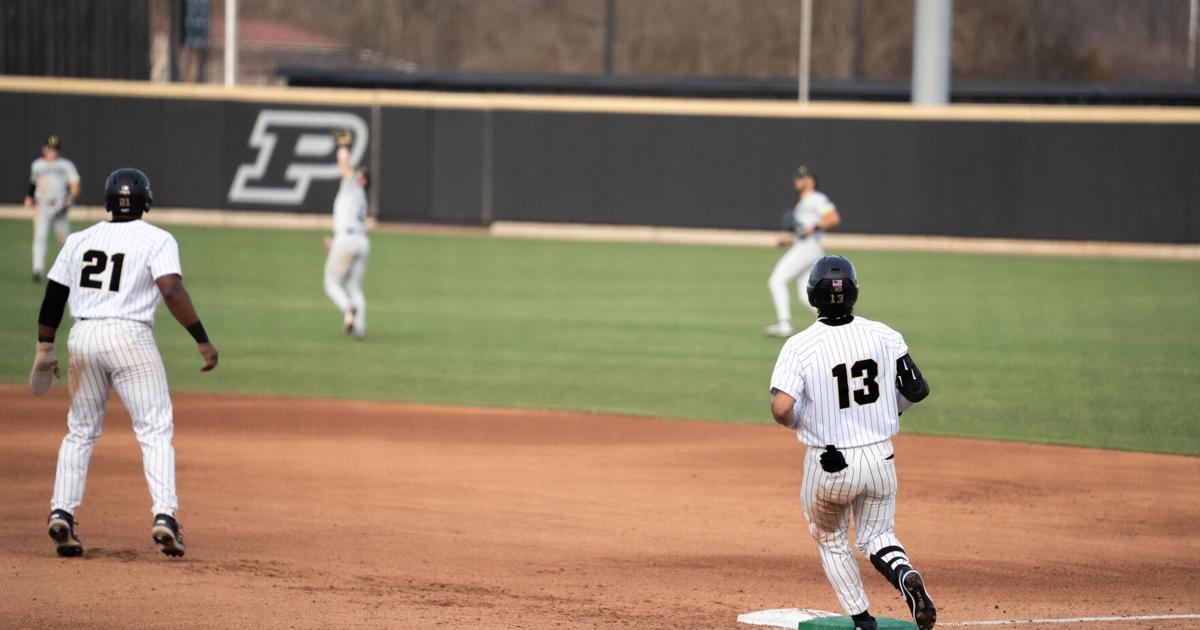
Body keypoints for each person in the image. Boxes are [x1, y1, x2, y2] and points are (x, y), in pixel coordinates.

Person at [29, 167, 219, 558]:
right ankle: (164, 517)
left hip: (83, 336)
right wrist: (201, 338)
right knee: (154, 429)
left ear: (107, 201)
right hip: (130, 337)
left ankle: (61, 511)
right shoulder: (157, 239)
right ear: (146, 201)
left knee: (79, 431)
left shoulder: (80, 239)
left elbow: (53, 296)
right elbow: (170, 288)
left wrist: (45, 349)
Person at [768, 255, 936, 630]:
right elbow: (916, 389)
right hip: (881, 458)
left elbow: (782, 409)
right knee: (878, 536)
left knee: (830, 536)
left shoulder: (800, 346)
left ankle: (862, 620)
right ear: (855, 293)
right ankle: (905, 574)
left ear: (812, 296)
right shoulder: (884, 334)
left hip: (830, 465)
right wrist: (889, 412)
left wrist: (798, 421)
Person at [764, 165, 840, 337]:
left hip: (809, 248)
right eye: (797, 178)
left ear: (810, 181)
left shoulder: (816, 198)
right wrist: (789, 239)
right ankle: (836, 324)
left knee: (777, 280)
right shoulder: (801, 205)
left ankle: (784, 324)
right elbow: (803, 232)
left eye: (801, 178)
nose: (797, 181)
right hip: (807, 248)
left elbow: (833, 218)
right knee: (805, 295)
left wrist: (812, 228)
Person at [323, 128, 370, 339]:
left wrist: (343, 145)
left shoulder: (353, 187)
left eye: (359, 174)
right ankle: (359, 328)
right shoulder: (362, 199)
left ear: (363, 180)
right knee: (354, 286)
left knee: (331, 283)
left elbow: (344, 164)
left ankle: (348, 307)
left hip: (347, 239)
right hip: (361, 242)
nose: (354, 173)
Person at [25, 134, 81, 283]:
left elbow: (75, 183)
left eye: (55, 149)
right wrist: (29, 196)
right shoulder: (38, 165)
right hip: (42, 205)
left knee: (66, 241)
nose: (52, 151)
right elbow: (33, 183)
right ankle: (37, 270)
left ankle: (71, 271)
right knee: (40, 237)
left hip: (60, 205)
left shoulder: (65, 165)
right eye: (50, 148)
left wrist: (69, 199)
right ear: (44, 149)